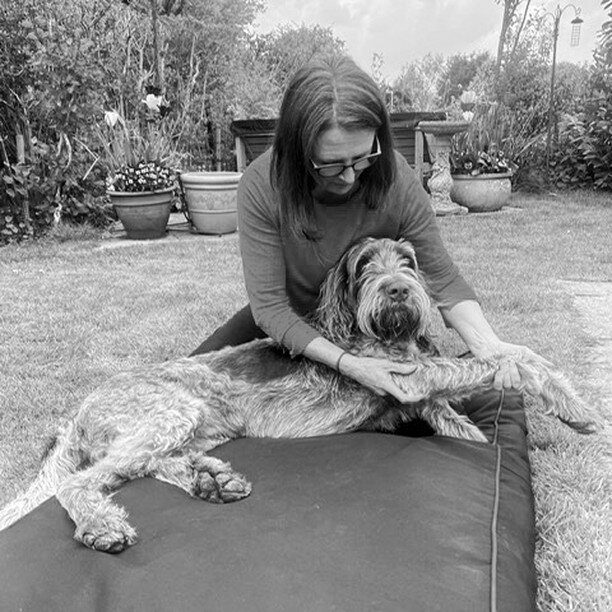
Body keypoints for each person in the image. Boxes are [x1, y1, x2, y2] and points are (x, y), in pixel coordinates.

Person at [190, 53, 539, 404]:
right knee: (190, 383)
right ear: (298, 152)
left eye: (362, 158)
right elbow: (270, 309)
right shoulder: (262, 185)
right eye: (329, 165)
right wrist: (350, 364)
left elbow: (441, 277)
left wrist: (487, 344)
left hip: (366, 325)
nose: (349, 175)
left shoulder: (396, 178)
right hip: (292, 320)